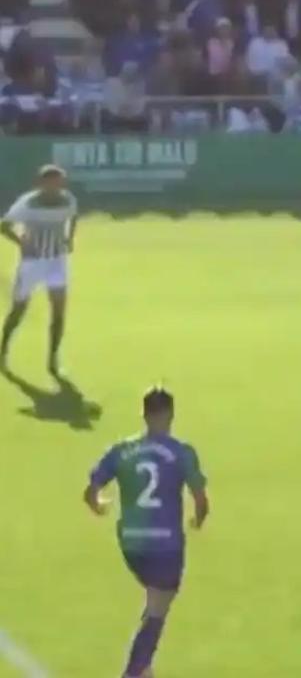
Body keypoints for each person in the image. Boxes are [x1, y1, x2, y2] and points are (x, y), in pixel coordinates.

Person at [84, 387, 209, 678]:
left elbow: (91, 492)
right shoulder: (181, 452)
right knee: (157, 611)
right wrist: (198, 521)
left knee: (153, 596)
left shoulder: (122, 450)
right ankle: (134, 670)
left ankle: (144, 669)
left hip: (131, 545)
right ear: (171, 415)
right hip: (166, 547)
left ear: (144, 414)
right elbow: (201, 500)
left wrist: (99, 505)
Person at [1, 165, 78, 373]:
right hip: (32, 263)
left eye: (59, 183)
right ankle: (3, 350)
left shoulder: (68, 200)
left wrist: (69, 238)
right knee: (19, 310)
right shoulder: (28, 203)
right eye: (51, 183)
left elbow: (73, 217)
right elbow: (4, 225)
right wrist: (22, 243)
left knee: (59, 311)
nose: (56, 187)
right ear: (42, 184)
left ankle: (53, 359)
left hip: (57, 260)